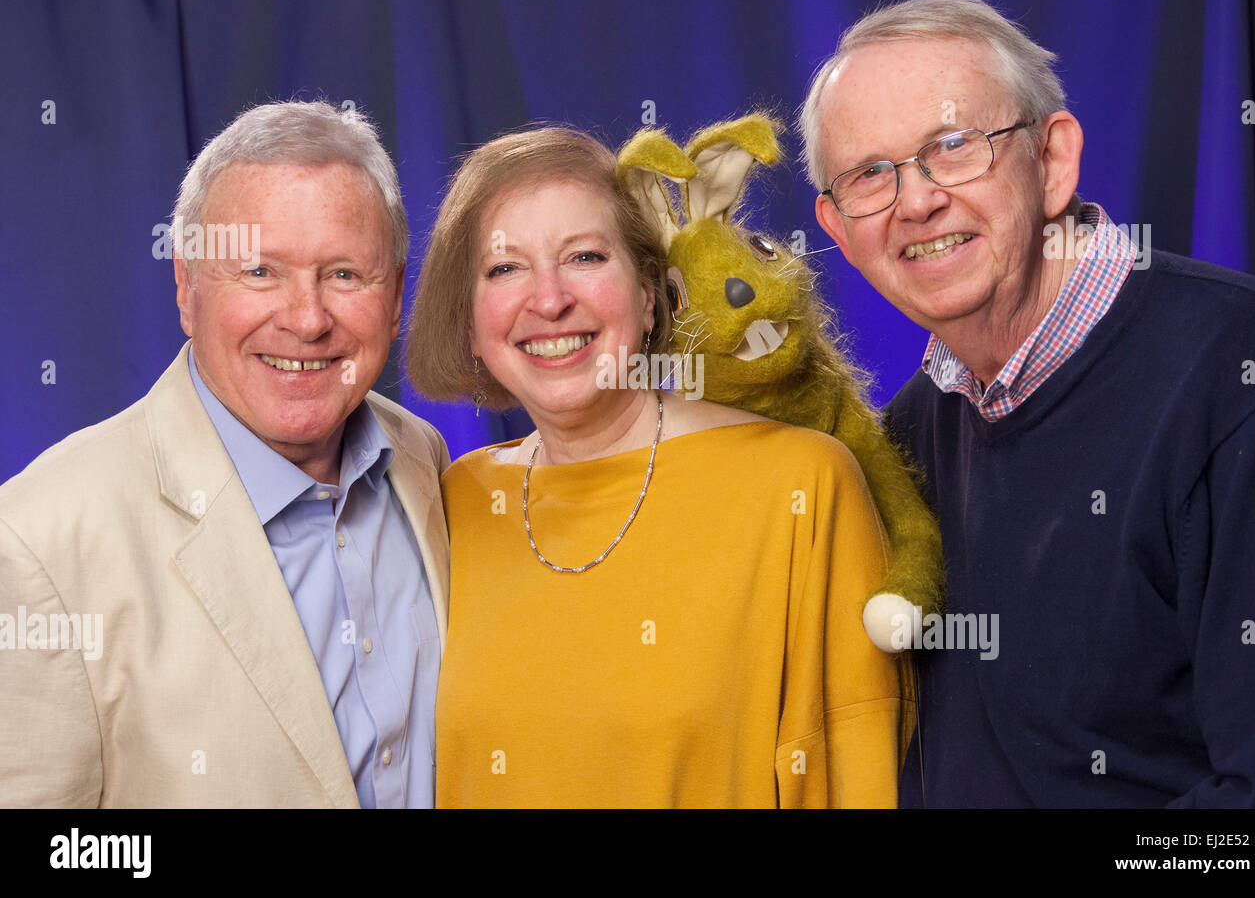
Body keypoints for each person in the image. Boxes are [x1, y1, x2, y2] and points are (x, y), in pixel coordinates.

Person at [803, 0, 1255, 807]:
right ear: (838, 227)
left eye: (954, 146)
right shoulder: (908, 435)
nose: (917, 201)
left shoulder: (1246, 370)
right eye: (870, 175)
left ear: (1054, 161)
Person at [407, 126, 911, 807]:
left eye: (584, 257)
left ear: (651, 297)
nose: (549, 299)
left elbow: (857, 775)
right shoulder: (456, 500)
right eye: (504, 268)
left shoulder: (802, 483)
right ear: (468, 318)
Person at [0, 101, 450, 808]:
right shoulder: (38, 542)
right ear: (187, 288)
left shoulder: (422, 459)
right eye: (261, 271)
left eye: (343, 275)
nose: (306, 319)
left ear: (394, 297)